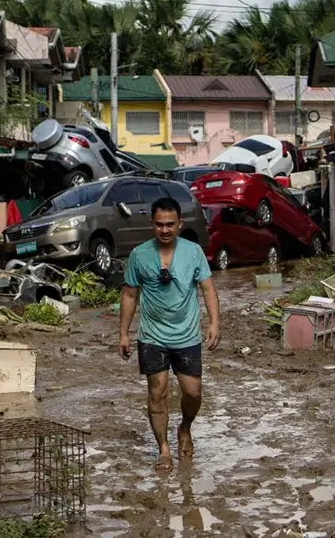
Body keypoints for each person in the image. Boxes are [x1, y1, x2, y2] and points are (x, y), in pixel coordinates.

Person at [118, 197, 220, 471]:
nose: (165, 230)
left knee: (193, 392)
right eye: (160, 224)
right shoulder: (139, 255)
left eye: (170, 224)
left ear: (180, 224)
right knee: (158, 392)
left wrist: (214, 323)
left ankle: (185, 427)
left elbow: (208, 288)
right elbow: (129, 294)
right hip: (152, 336)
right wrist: (124, 333)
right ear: (152, 224)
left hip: (187, 336)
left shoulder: (193, 252)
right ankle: (163, 449)